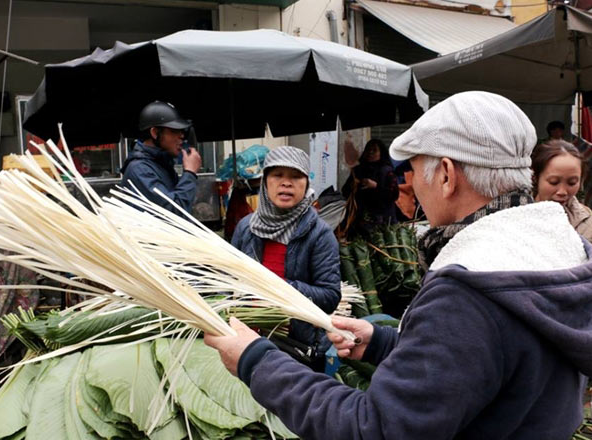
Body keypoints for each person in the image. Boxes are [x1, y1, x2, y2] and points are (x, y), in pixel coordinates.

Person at [205, 91, 592, 440]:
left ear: (445, 174)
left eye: (413, 170)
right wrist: (383, 342)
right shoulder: (563, 250)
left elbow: (374, 428)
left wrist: (256, 360)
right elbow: (481, 363)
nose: (411, 185)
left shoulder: (467, 290)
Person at [230, 146, 341, 366]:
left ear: (306, 183)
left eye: (295, 176)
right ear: (265, 182)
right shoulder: (246, 228)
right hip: (248, 344)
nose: (286, 183)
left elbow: (329, 297)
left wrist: (280, 287)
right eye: (277, 175)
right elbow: (229, 282)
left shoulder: (319, 234)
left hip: (296, 350)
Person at [120, 100, 202, 216]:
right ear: (155, 133)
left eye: (182, 131)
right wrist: (189, 173)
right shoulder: (140, 169)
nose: (181, 136)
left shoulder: (161, 164)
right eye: (174, 130)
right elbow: (174, 213)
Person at [532, 139, 592, 241]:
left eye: (572, 183)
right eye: (554, 182)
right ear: (535, 178)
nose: (562, 192)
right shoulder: (513, 216)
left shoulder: (586, 223)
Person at [340, 139, 399, 234]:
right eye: (368, 150)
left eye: (374, 150)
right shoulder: (358, 170)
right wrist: (353, 185)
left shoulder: (387, 172)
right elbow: (345, 191)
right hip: (359, 220)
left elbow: (394, 195)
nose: (370, 152)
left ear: (381, 153)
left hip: (383, 221)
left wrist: (376, 186)